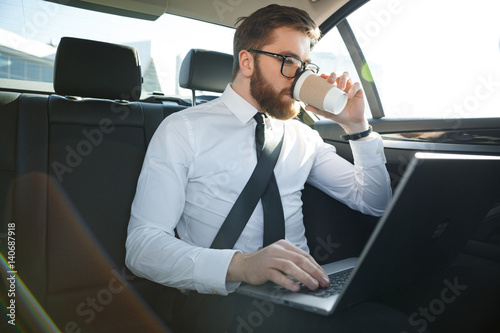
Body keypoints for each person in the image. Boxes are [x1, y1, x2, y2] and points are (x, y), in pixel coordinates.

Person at [126, 4, 404, 332]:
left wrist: (357, 127)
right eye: (288, 61)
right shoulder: (183, 129)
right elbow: (142, 248)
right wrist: (242, 265)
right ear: (247, 61)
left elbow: (374, 202)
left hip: (302, 295)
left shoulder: (304, 136)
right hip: (224, 302)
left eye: (305, 66)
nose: (300, 77)